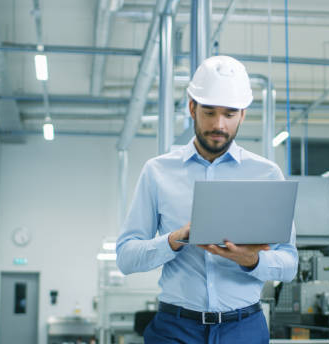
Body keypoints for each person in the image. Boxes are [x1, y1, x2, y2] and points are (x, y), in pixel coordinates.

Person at [116, 55, 298, 344]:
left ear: (243, 114)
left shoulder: (266, 174)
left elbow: (289, 263)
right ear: (192, 108)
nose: (219, 124)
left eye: (229, 114)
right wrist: (174, 240)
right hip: (176, 328)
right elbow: (126, 257)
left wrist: (251, 260)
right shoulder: (157, 171)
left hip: (243, 328)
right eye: (209, 112)